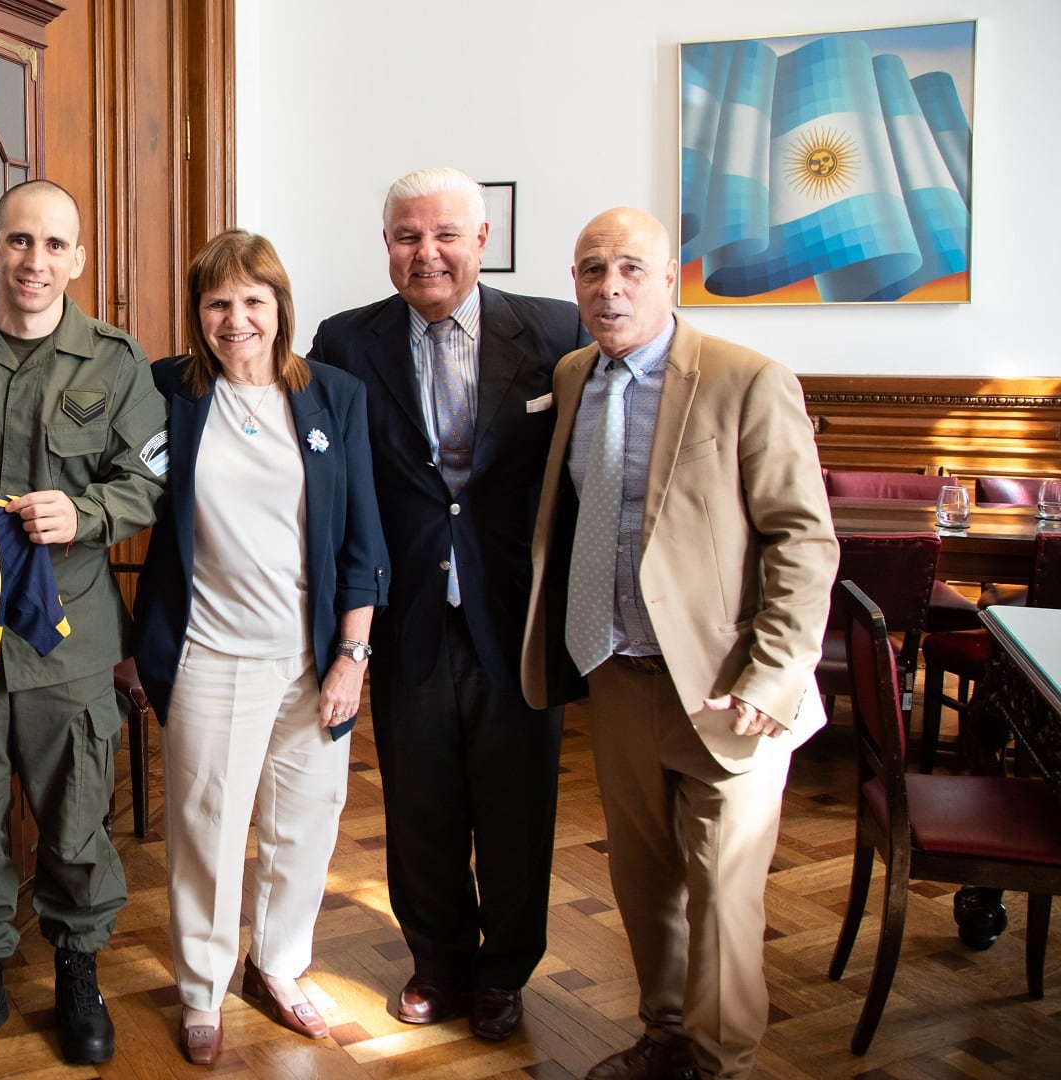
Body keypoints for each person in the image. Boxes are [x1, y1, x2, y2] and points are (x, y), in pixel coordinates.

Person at [520, 207, 836, 1080]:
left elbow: (803, 543)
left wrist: (771, 679)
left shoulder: (748, 379)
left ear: (670, 278)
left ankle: (720, 1058)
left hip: (729, 687)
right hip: (617, 670)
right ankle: (663, 1036)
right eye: (590, 269)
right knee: (643, 876)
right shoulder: (576, 374)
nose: (608, 286)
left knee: (725, 893)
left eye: (628, 267)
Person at [0, 179, 167, 1071]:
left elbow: (151, 478)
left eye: (53, 245)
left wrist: (82, 513)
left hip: (70, 639)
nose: (33, 262)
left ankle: (78, 968)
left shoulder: (116, 362)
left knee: (78, 817)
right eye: (17, 242)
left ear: (78, 259)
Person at [306, 166, 589, 1040]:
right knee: (419, 804)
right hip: (404, 614)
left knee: (518, 805)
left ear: (481, 241)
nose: (425, 253)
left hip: (518, 612)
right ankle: (436, 961)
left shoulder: (558, 331)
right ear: (386, 244)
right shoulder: (344, 342)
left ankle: (505, 972)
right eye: (405, 236)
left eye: (444, 235)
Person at [132, 229, 389, 1066]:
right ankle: (201, 988)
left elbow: (362, 540)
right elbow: (131, 502)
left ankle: (277, 967)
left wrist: (353, 656)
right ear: (198, 314)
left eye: (252, 300)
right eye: (217, 303)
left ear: (279, 306)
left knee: (306, 826)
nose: (236, 319)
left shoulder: (333, 396)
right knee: (206, 834)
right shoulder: (168, 390)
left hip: (313, 661)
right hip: (209, 655)